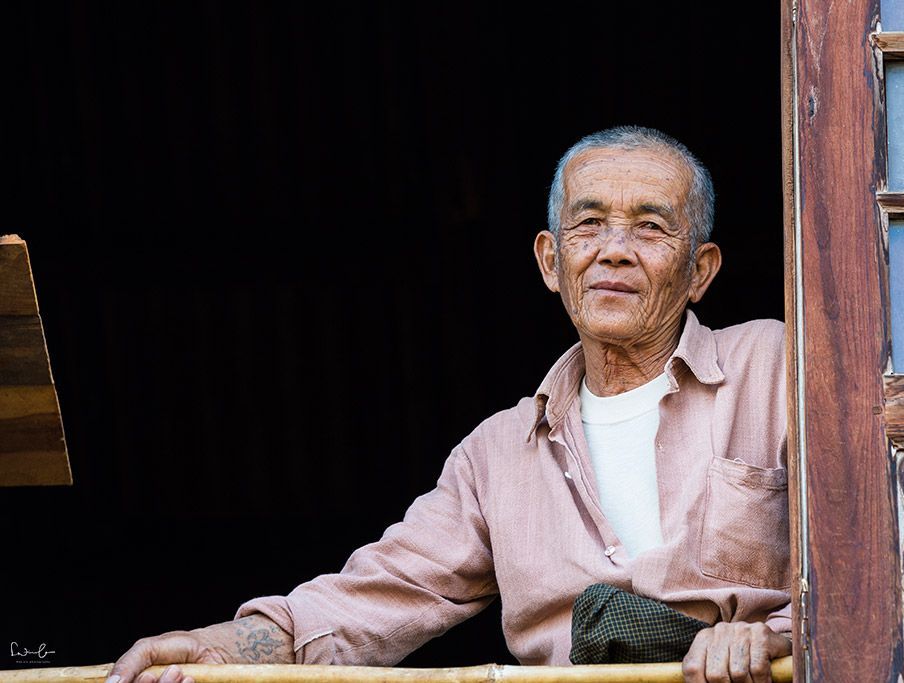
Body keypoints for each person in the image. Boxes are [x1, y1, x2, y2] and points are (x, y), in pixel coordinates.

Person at [107, 126, 792, 683]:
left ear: (699, 270)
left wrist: (767, 637)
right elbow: (377, 594)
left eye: (649, 227)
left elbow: (876, 551)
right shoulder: (497, 453)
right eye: (589, 225)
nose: (613, 250)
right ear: (552, 262)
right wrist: (223, 645)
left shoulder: (775, 368)